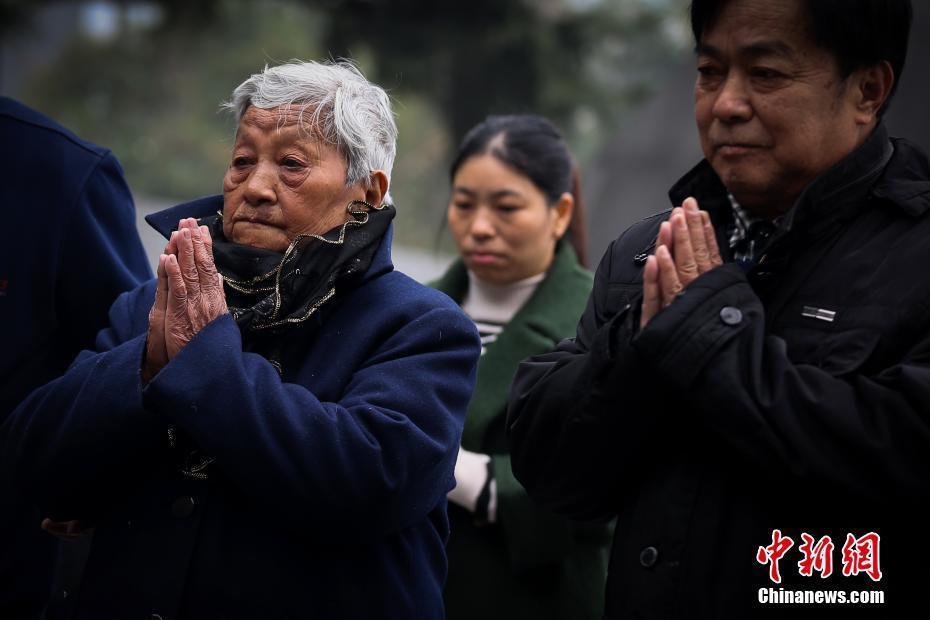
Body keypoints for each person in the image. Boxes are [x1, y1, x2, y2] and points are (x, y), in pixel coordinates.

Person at [0, 60, 480, 619]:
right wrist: (148, 363)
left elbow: (368, 484)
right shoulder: (154, 305)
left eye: (292, 165)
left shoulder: (422, 326)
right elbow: (33, 466)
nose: (253, 188)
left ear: (368, 193)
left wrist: (203, 362)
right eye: (241, 162)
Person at [507, 1, 929, 618]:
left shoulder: (916, 255)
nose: (726, 104)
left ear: (867, 90)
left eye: (766, 75)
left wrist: (708, 331)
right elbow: (554, 473)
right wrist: (638, 348)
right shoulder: (646, 252)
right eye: (709, 72)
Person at [432, 115, 610, 620]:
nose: (480, 227)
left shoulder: (604, 320)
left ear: (560, 213)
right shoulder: (411, 311)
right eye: (464, 205)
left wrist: (477, 480)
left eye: (506, 207)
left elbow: (610, 480)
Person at [0, 97, 152, 619]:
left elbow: (133, 363)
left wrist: (88, 484)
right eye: (243, 160)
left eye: (291, 165)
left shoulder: (58, 174)